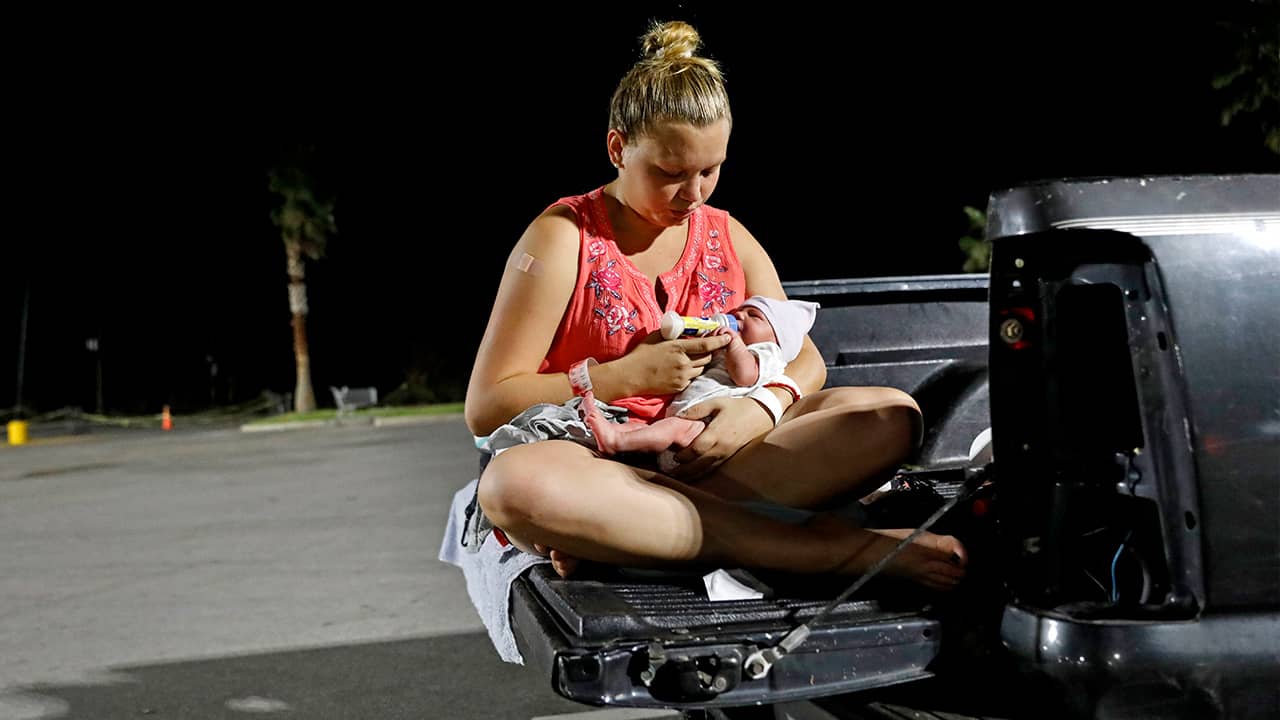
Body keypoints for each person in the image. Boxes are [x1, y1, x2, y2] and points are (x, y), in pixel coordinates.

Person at [459, 20, 967, 593]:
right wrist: (622, 376)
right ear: (618, 147)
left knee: (890, 414)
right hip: (595, 465)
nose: (694, 194)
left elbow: (806, 361)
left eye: (710, 170)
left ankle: (630, 537)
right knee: (513, 484)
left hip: (713, 459)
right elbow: (488, 406)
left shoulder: (728, 235)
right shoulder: (562, 236)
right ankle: (833, 550)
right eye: (671, 174)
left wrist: (762, 409)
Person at [582, 296, 818, 473]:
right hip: (684, 418)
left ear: (777, 338)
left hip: (706, 426)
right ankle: (610, 433)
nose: (739, 316)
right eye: (738, 311)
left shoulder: (768, 354)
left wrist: (734, 344)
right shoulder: (734, 349)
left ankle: (617, 442)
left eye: (754, 316)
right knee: (647, 429)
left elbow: (745, 375)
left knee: (670, 429)